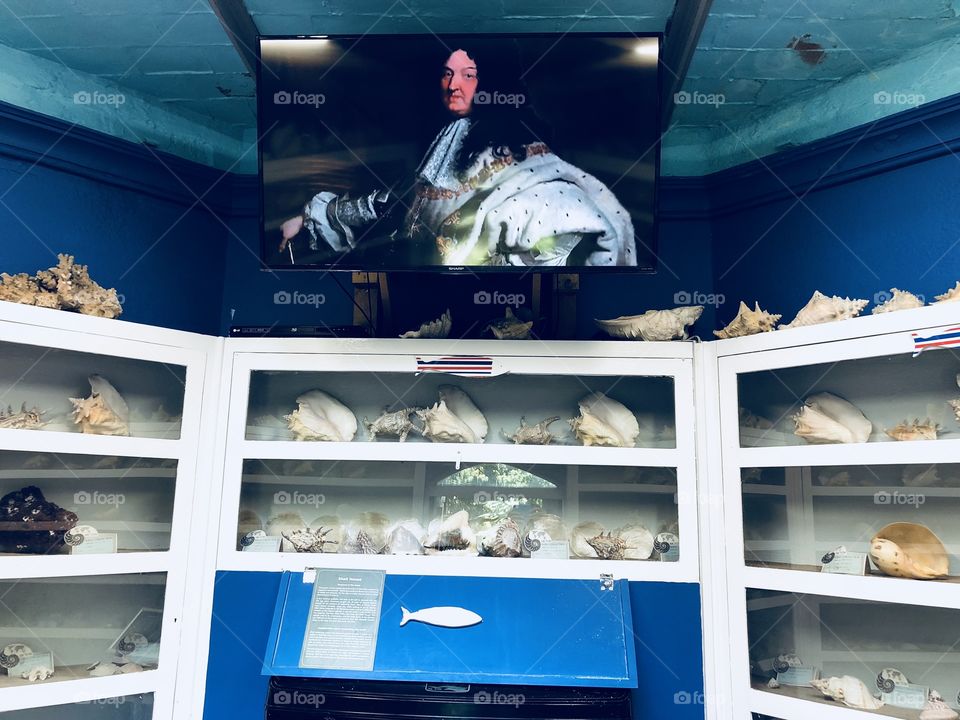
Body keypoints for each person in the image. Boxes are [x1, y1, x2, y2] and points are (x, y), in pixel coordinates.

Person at [279, 47, 637, 267]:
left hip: (499, 300)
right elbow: (396, 202)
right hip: (416, 287)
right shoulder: (448, 136)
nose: (454, 85)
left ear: (492, 82)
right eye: (448, 74)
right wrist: (314, 213)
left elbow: (564, 212)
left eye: (468, 75)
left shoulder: (516, 147)